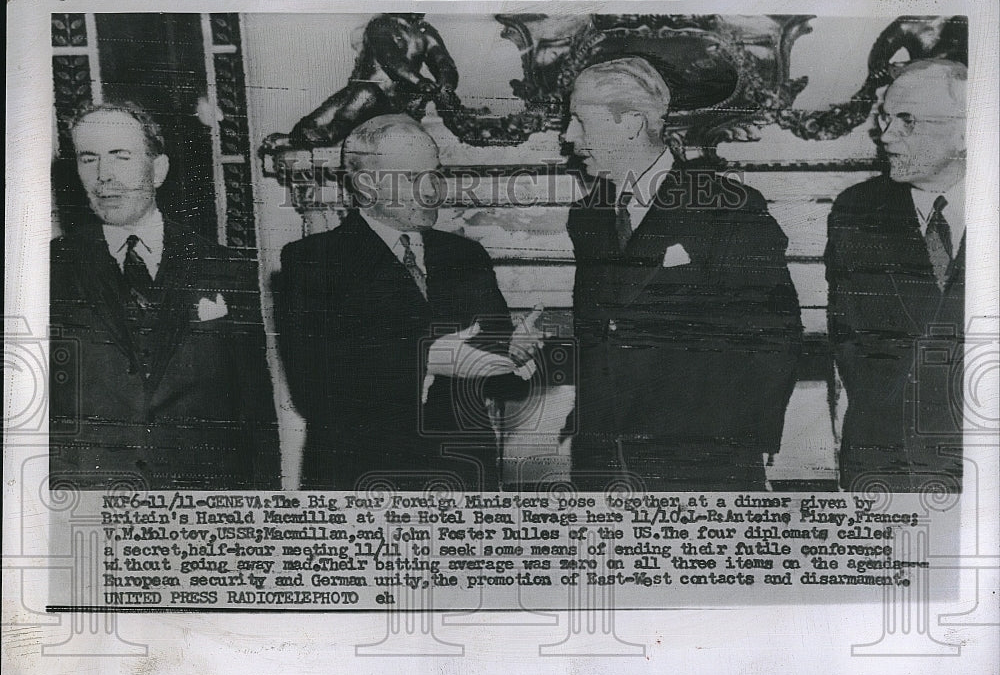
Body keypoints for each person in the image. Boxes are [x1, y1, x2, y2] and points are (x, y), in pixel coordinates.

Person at [563, 57, 802, 491]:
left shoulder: (727, 206)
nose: (568, 137)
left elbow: (775, 334)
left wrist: (744, 443)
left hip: (700, 464)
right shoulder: (588, 217)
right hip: (603, 462)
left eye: (579, 120)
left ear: (631, 123)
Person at [275, 114, 538, 491]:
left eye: (436, 174)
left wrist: (515, 357)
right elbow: (314, 387)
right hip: (363, 483)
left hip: (463, 481)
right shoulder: (314, 261)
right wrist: (427, 360)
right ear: (366, 185)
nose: (432, 191)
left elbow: (499, 381)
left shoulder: (466, 256)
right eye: (414, 178)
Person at [49, 102, 280, 490]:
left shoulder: (224, 267)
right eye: (89, 160)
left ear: (158, 170)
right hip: (88, 499)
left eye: (120, 157)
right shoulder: (47, 269)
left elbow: (255, 414)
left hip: (202, 502)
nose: (103, 176)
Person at [826, 60, 967, 493]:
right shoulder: (856, 210)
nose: (886, 136)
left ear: (968, 131)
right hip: (887, 461)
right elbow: (850, 342)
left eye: (907, 121)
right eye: (886, 119)